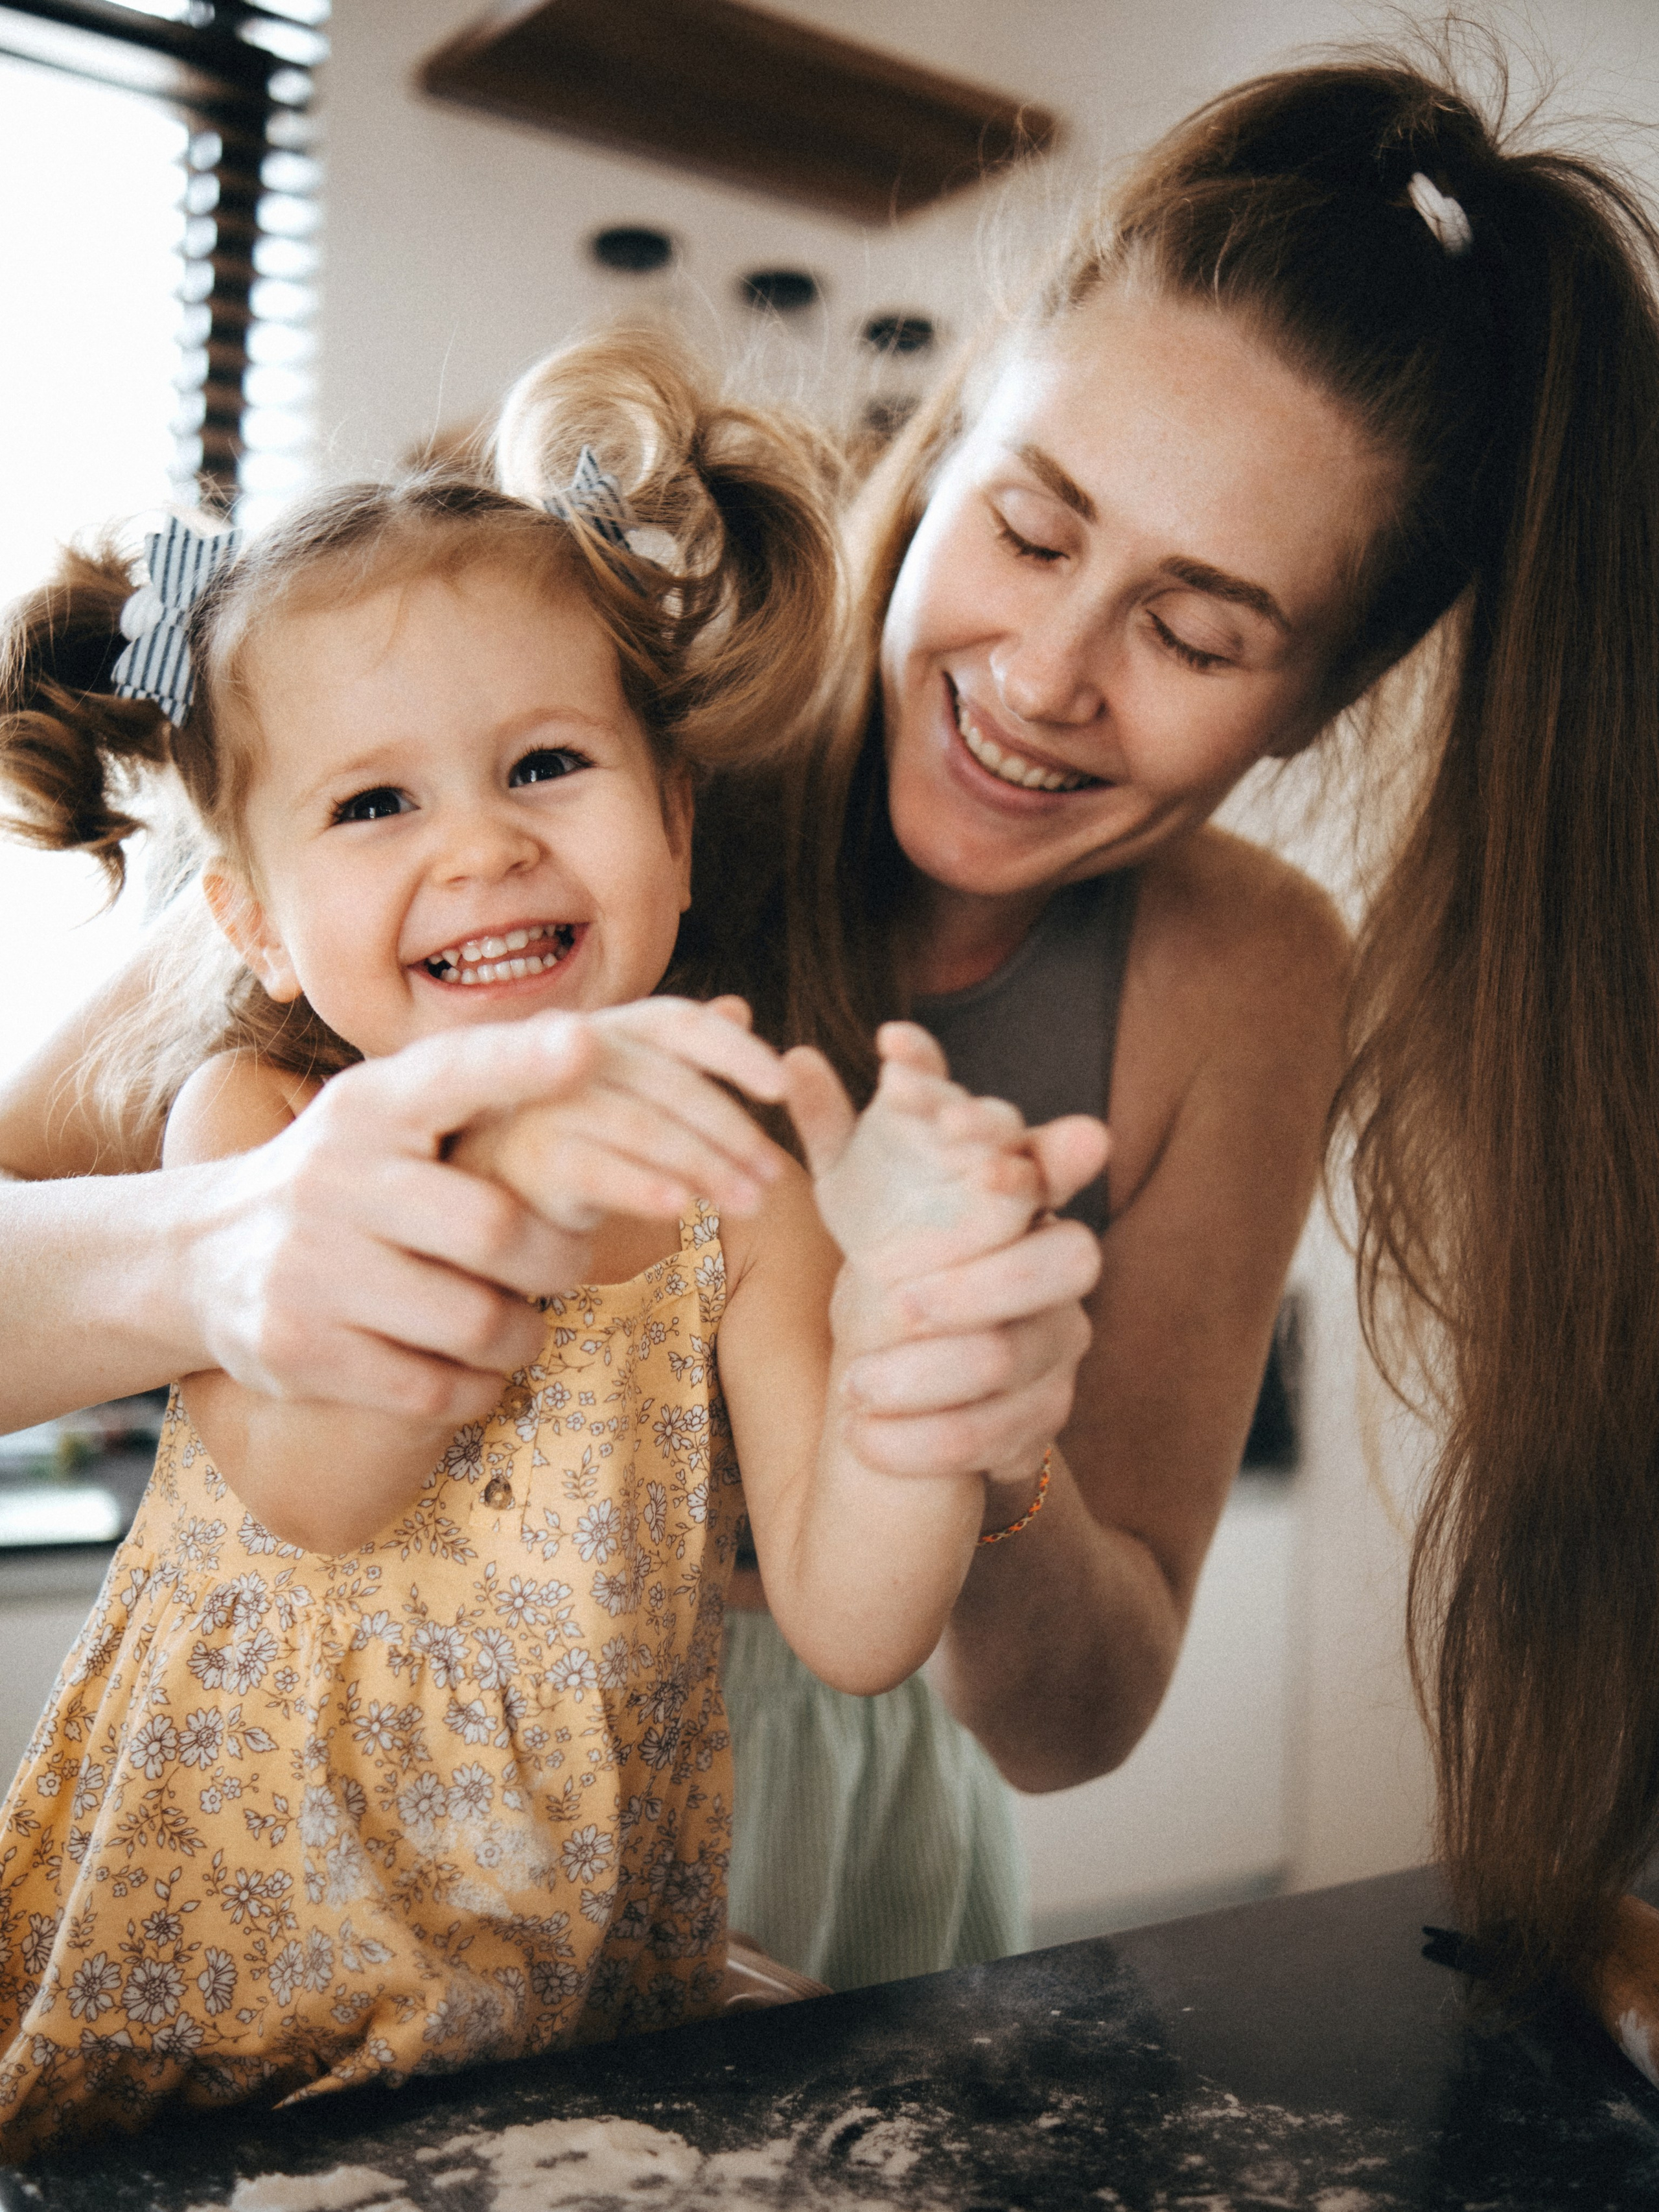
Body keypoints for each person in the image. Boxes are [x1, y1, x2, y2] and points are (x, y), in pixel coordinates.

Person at [9, 35, 1654, 2040]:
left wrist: (964, 1413)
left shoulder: (1234, 980)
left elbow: (1070, 1713)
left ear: (1317, 699)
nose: (1048, 678)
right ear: (944, 440)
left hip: (809, 1877)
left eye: (1199, 632)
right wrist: (223, 1249)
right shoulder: (532, 723)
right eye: (1033, 531)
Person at [0, 376, 1104, 2152]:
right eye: (373, 805)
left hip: (566, 2016)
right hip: (218, 1977)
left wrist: (923, 1350)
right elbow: (318, 1486)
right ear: (258, 918)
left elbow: (856, 1619)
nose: (483, 842)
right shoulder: (256, 1116)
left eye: (544, 766)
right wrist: (505, 1155)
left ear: (672, 821)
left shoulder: (738, 1183)